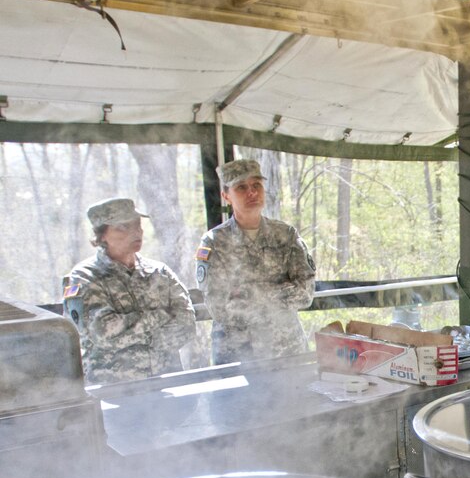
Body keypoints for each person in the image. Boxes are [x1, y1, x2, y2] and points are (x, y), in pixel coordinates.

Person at [62, 198, 196, 384]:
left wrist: (131, 332)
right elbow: (104, 334)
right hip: (114, 390)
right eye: (122, 227)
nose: (136, 232)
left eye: (137, 225)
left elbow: (187, 324)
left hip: (167, 384)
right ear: (102, 236)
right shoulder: (83, 278)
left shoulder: (159, 272)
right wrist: (161, 317)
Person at [196, 159, 316, 364]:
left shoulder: (285, 235)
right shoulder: (214, 242)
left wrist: (247, 294)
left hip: (285, 350)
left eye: (256, 185)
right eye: (241, 187)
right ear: (226, 196)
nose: (251, 193)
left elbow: (305, 294)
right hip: (237, 355)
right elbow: (219, 307)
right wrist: (279, 292)